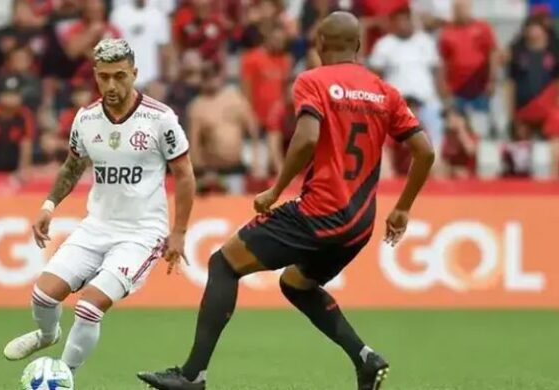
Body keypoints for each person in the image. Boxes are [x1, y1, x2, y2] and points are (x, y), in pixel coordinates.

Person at [138, 12, 435, 390]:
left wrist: (275, 190)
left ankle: (193, 375)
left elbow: (308, 138)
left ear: (320, 45)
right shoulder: (384, 92)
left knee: (223, 263)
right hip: (359, 223)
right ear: (359, 47)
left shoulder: (314, 80)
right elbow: (424, 152)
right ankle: (365, 359)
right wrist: (404, 207)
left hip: (318, 213)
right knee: (297, 284)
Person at [2, 39, 196, 378]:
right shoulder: (87, 118)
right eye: (103, 77)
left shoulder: (160, 119)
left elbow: (184, 175)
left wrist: (178, 232)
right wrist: (49, 205)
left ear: (134, 74)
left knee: (89, 306)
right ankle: (48, 336)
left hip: (141, 234)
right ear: (95, 74)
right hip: (96, 227)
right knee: (43, 296)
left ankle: (64, 374)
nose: (111, 85)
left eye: (120, 76)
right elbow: (72, 166)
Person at [370, 6, 445, 148]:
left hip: (426, 103)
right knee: (385, 144)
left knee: (434, 144)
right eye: (399, 20)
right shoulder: (384, 45)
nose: (403, 24)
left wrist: (445, 100)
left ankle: (437, 165)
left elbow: (438, 74)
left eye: (406, 20)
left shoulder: (426, 42)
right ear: (393, 23)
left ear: (412, 21)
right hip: (397, 107)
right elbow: (375, 79)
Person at [188, 63, 261, 194]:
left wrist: (255, 160)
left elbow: (253, 130)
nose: (210, 80)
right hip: (211, 172)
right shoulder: (197, 106)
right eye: (206, 76)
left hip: (237, 168)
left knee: (237, 209)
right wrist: (201, 172)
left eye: (213, 75)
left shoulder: (235, 97)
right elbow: (194, 145)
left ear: (220, 76)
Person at [438, 0, 497, 138]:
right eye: (457, 8)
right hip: (456, 89)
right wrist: (443, 84)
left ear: (470, 8)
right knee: (458, 129)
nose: (460, 11)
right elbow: (442, 61)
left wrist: (492, 80)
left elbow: (492, 54)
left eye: (463, 7)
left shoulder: (483, 28)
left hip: (479, 88)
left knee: (481, 129)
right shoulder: (446, 32)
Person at [0, 0, 45, 105]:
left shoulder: (41, 34)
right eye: (18, 9)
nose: (21, 13)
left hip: (33, 85)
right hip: (3, 85)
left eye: (24, 9)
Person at [240, 24, 292, 132]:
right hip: (257, 118)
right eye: (276, 39)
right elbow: (245, 90)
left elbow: (285, 89)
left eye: (282, 40)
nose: (279, 43)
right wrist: (249, 116)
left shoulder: (284, 60)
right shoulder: (251, 58)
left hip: (277, 119)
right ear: (268, 38)